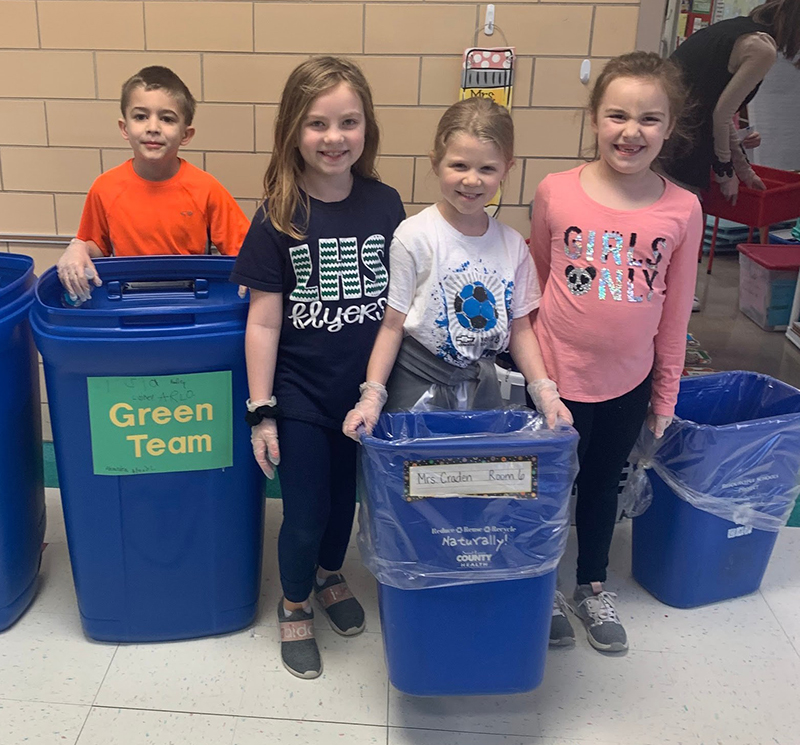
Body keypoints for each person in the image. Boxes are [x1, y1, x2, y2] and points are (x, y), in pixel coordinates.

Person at [230, 57, 405, 680]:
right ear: (292, 132)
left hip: (364, 395)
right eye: (317, 124)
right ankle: (295, 600)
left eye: (348, 122)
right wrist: (261, 412)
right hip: (299, 395)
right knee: (304, 511)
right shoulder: (279, 213)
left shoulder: (387, 204)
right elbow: (264, 323)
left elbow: (397, 305)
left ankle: (331, 576)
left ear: (367, 127)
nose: (334, 138)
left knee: (344, 506)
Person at [530, 52, 704, 653]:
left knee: (604, 483)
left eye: (650, 119)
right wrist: (531, 372)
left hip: (627, 381)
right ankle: (543, 583)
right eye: (618, 116)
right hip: (552, 379)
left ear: (671, 127)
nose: (632, 132)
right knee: (548, 485)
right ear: (594, 118)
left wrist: (665, 394)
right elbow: (538, 282)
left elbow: (676, 313)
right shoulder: (556, 192)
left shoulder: (683, 208)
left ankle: (590, 583)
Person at [342, 97, 571, 442]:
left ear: (508, 169)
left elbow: (521, 329)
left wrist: (544, 392)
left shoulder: (512, 247)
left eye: (487, 169)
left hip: (482, 390)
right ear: (436, 163)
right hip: (416, 388)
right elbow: (392, 325)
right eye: (459, 165)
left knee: (470, 485)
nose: (472, 180)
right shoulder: (415, 237)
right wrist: (372, 395)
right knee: (414, 488)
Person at [57, 66, 250, 302]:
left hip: (190, 305)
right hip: (129, 304)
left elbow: (245, 250)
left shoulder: (206, 189)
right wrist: (79, 248)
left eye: (167, 119)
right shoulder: (105, 188)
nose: (153, 127)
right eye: (140, 116)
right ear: (124, 128)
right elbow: (97, 246)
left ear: (186, 135)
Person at [663, 0, 800, 203]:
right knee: (684, 221)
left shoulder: (733, 29)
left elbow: (719, 113)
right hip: (681, 150)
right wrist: (725, 173)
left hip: (663, 141)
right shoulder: (762, 48)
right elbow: (721, 115)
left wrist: (744, 171)